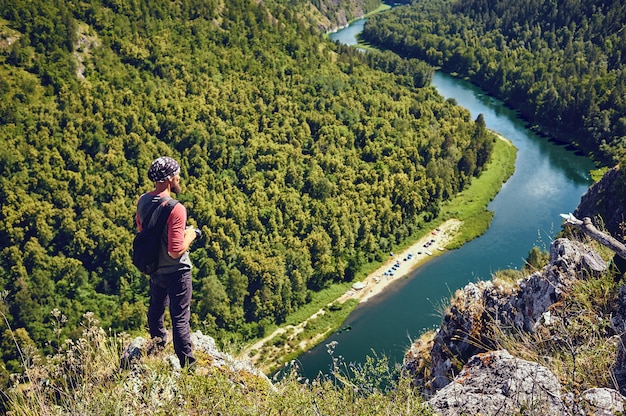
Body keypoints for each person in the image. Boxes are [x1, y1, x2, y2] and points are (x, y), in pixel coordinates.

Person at [135, 156, 200, 367]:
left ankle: (157, 346)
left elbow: (143, 232)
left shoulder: (143, 201)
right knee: (180, 318)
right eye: (178, 174)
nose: (180, 177)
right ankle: (188, 367)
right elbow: (175, 251)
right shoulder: (176, 208)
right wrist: (192, 234)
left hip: (155, 268)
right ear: (171, 178)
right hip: (177, 271)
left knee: (155, 310)